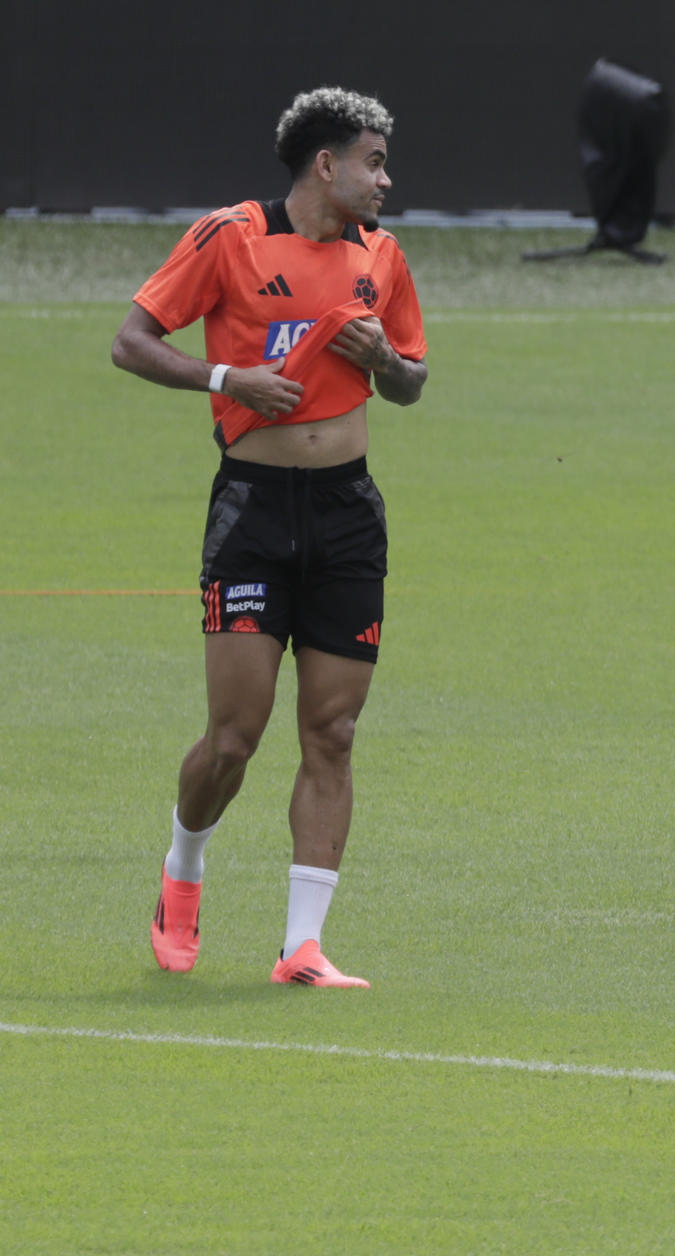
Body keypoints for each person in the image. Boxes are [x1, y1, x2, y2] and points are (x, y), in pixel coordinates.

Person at [110, 87, 429, 988]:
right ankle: (184, 870)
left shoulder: (385, 257)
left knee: (332, 729)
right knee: (234, 739)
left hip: (347, 513)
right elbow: (132, 341)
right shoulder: (231, 237)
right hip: (252, 508)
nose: (385, 179)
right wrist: (227, 376)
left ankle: (302, 946)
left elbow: (413, 381)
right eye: (373, 162)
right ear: (325, 164)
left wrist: (387, 366)